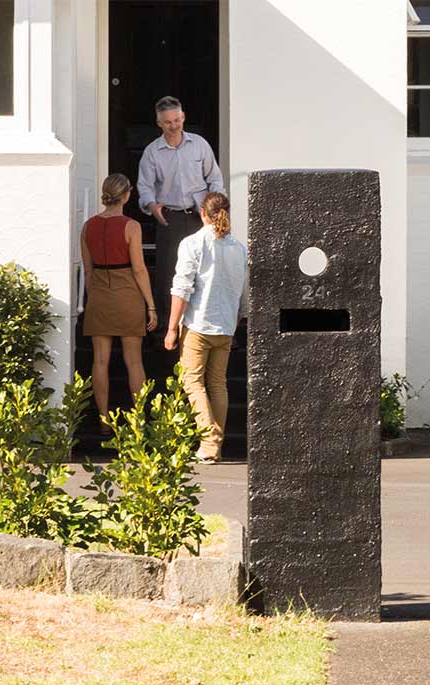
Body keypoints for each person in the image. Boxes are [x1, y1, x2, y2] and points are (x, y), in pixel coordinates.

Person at [164, 192, 246, 462]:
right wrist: (240, 316)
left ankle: (209, 443)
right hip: (225, 325)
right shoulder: (238, 248)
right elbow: (243, 290)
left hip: (199, 323)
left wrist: (172, 327)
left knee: (192, 382)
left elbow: (182, 288)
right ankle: (215, 448)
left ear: (202, 213)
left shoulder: (193, 243)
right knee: (217, 384)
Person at [137, 96, 224, 322]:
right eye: (168, 122)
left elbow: (215, 178)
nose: (173, 126)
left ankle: (207, 323)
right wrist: (152, 207)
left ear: (183, 117)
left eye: (177, 120)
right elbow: (144, 187)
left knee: (207, 270)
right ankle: (167, 328)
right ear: (159, 123)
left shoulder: (200, 145)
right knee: (169, 274)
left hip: (201, 217)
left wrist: (214, 209)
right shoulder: (152, 152)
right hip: (170, 218)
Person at [80, 174, 157, 427]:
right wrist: (151, 305)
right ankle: (139, 420)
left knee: (99, 360)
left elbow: (88, 271)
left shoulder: (87, 226)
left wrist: (93, 298)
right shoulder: (131, 226)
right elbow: (139, 270)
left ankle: (103, 420)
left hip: (99, 292)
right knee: (133, 360)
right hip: (127, 293)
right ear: (126, 195)